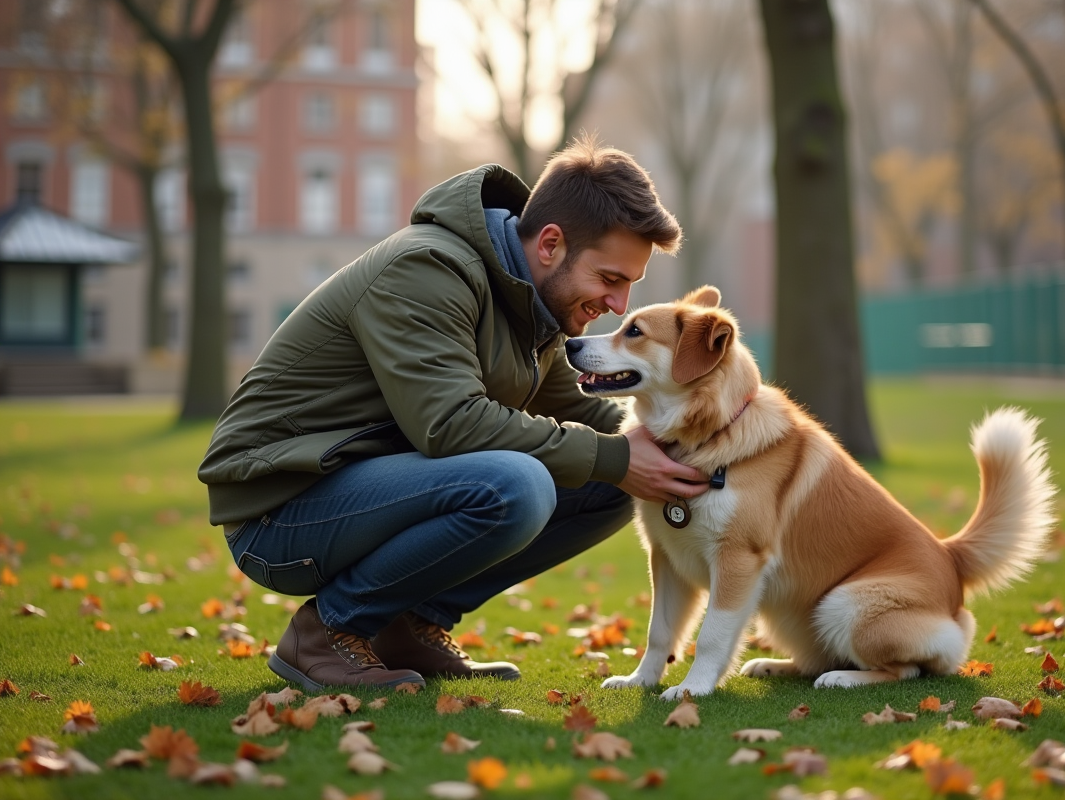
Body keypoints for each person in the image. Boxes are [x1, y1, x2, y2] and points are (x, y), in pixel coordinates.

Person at [198, 139, 710, 692]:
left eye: (629, 284)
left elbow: (587, 417)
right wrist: (615, 455)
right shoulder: (427, 269)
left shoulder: (531, 304)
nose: (619, 304)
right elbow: (451, 424)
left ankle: (411, 624)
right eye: (610, 279)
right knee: (520, 484)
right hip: (280, 509)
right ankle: (326, 632)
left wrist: (704, 440)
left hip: (364, 486)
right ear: (551, 244)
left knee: (615, 481)